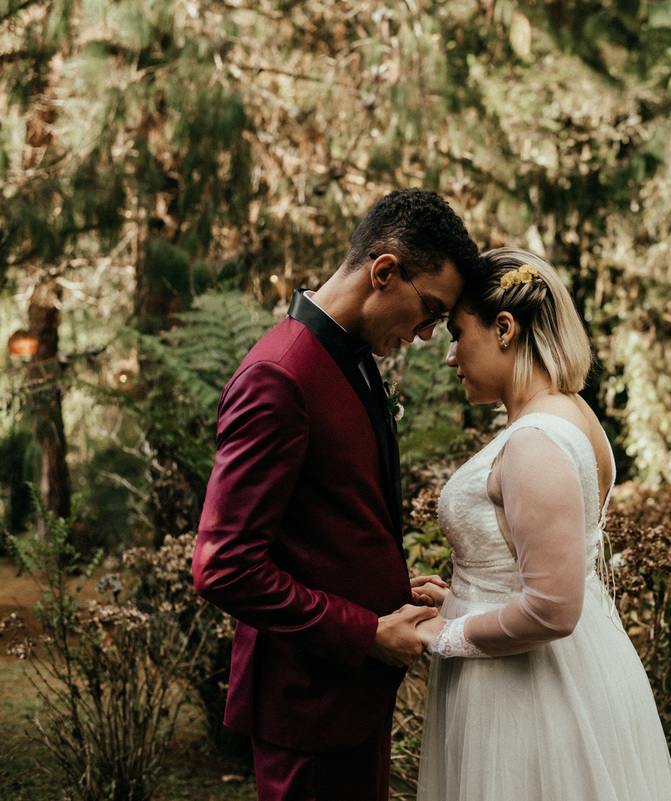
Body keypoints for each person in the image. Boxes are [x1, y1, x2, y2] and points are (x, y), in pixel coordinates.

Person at [192, 188, 479, 801]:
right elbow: (224, 566)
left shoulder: (348, 358)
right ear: (383, 272)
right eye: (429, 310)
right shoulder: (279, 375)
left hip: (348, 700)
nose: (427, 334)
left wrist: (386, 593)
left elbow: (325, 522)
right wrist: (363, 632)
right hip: (310, 706)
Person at [412, 247, 671, 800]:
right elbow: (523, 563)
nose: (450, 356)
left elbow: (552, 608)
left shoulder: (535, 441)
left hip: (525, 693)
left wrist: (446, 634)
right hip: (563, 669)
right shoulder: (574, 414)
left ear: (505, 328)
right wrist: (462, 593)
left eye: (458, 334)